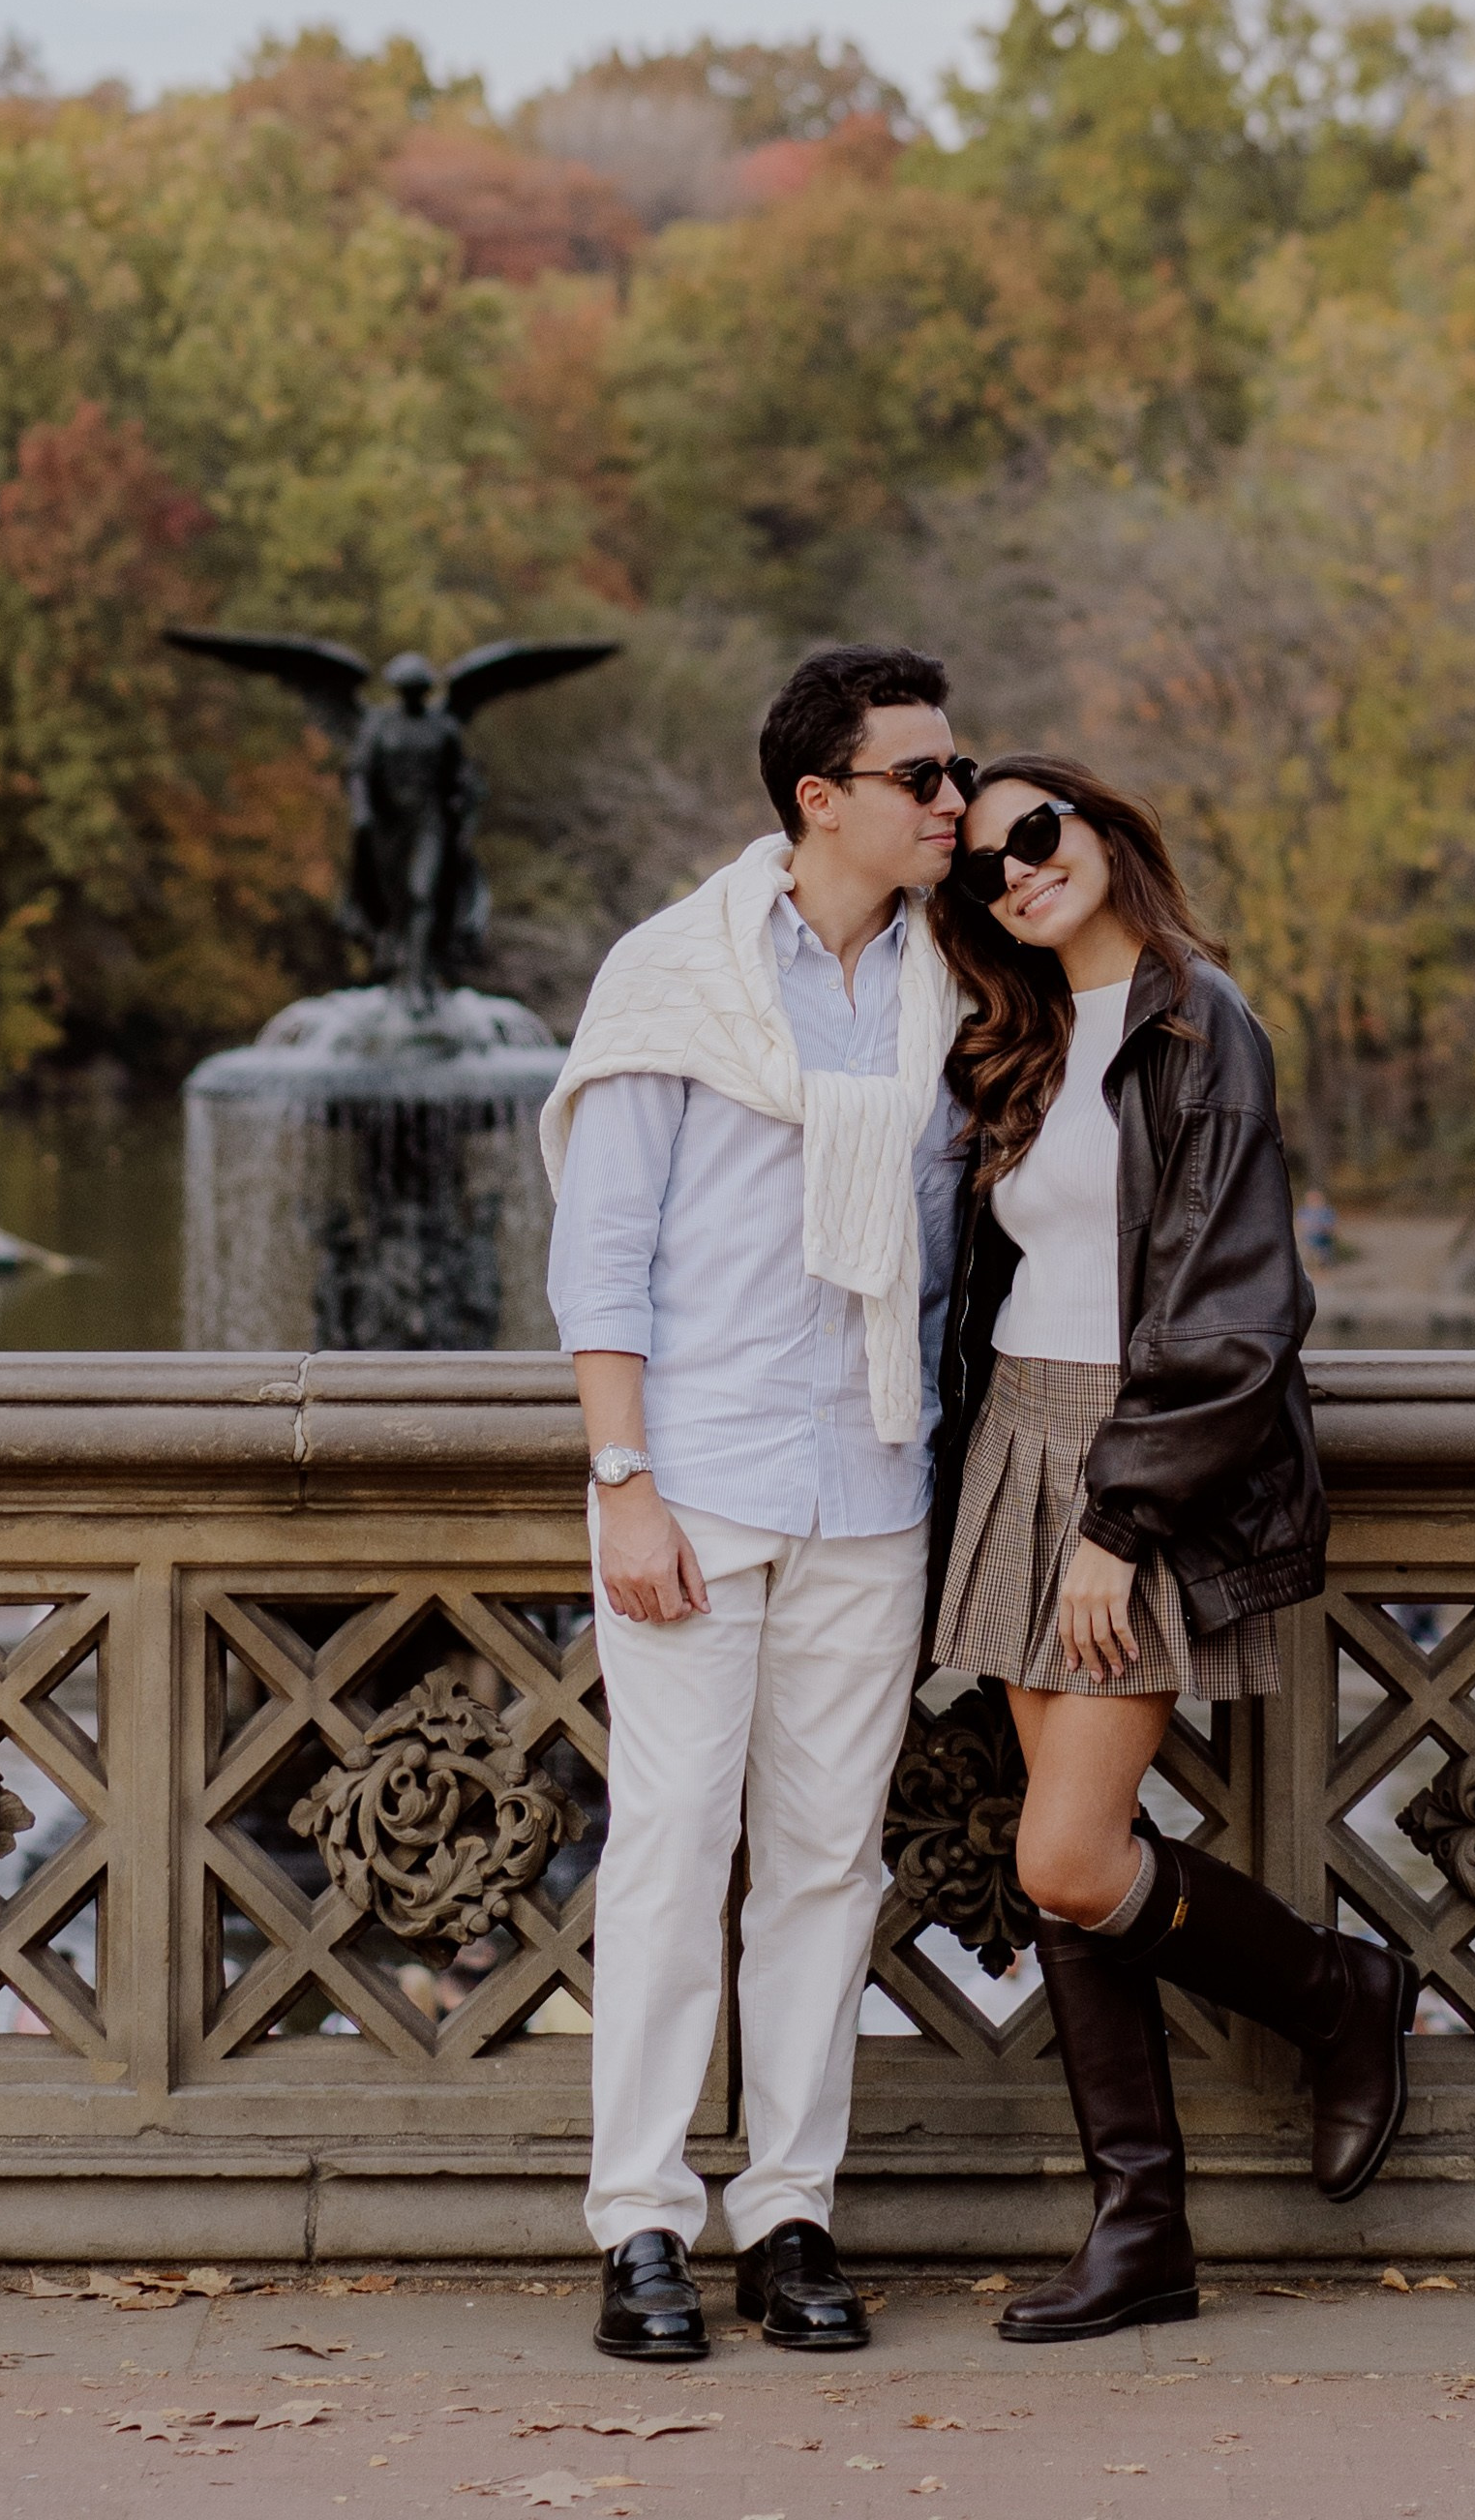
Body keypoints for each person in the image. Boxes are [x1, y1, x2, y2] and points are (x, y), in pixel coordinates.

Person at [926, 755, 1417, 2345]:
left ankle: (1342, 1995)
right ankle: (1142, 2229)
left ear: (1109, 828)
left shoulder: (1205, 1023)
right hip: (1018, 1443)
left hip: (1137, 1462)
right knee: (1072, 1886)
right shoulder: (1025, 1037)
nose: (1016, 873)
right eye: (984, 866)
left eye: (1038, 835)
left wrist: (1120, 1522)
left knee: (1067, 1859)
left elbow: (1236, 1312)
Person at [540, 644, 972, 2365]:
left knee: (825, 1862)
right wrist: (624, 1484)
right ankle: (638, 2220)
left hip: (874, 1476)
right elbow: (604, 1251)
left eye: (954, 773)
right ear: (824, 800)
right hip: (699, 1481)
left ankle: (792, 2211)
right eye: (922, 778)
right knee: (666, 1847)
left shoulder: (962, 983)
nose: (955, 803)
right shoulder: (675, 975)